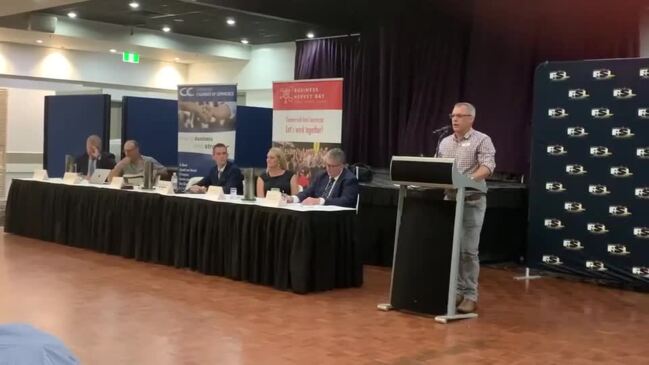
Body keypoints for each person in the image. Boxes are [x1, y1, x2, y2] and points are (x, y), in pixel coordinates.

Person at [437, 102, 496, 314]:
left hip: (472, 200)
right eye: (453, 115)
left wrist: (468, 180)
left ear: (471, 119)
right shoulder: (444, 142)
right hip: (450, 201)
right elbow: (439, 167)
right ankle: (456, 292)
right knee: (452, 249)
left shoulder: (482, 139)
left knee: (468, 251)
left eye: (460, 116)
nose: (455, 119)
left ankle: (470, 294)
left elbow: (488, 166)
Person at [286, 148, 359, 208]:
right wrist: (293, 198)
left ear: (342, 166)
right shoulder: (321, 175)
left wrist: (320, 201)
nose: (328, 169)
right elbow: (308, 191)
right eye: (327, 165)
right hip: (317, 213)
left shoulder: (349, 179)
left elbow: (346, 201)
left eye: (332, 166)